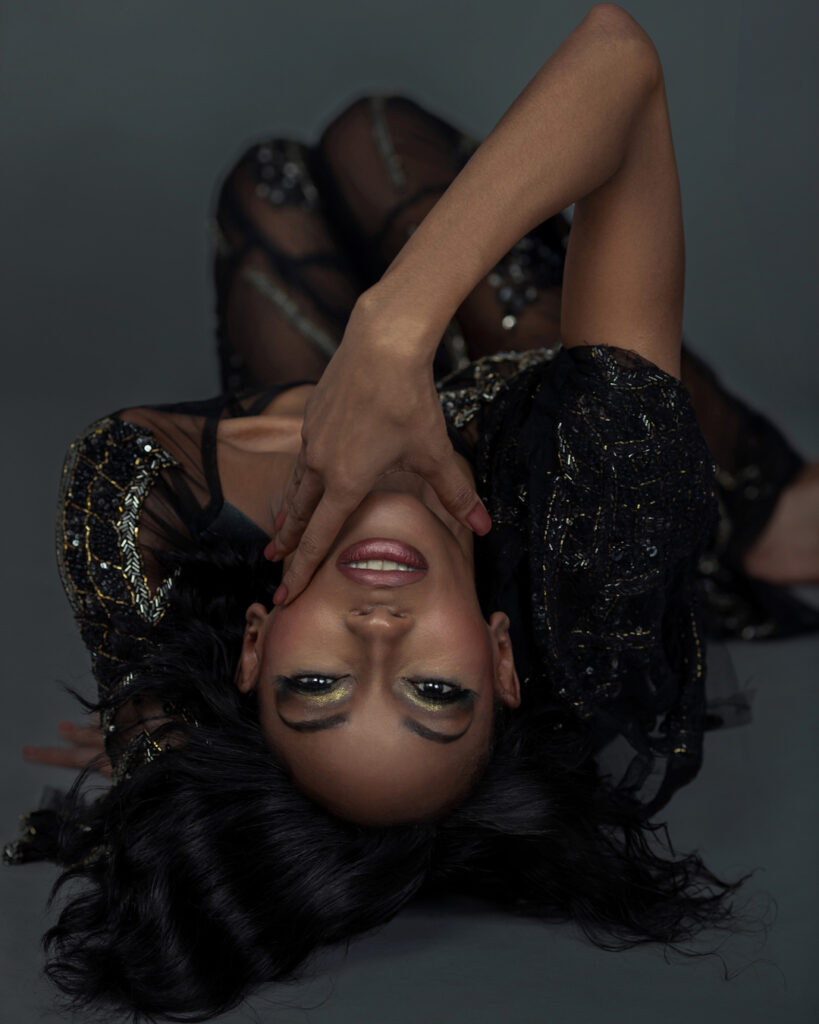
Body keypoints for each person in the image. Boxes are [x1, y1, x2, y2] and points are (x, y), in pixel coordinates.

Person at [5, 5, 818, 1020]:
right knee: (374, 137)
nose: (379, 633)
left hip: (301, 458)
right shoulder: (588, 525)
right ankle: (766, 511)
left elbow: (174, 807)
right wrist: (395, 328)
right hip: (536, 423)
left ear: (254, 641)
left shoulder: (129, 494)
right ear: (501, 658)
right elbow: (620, 59)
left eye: (317, 684)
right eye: (436, 690)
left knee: (271, 181)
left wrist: (157, 734)